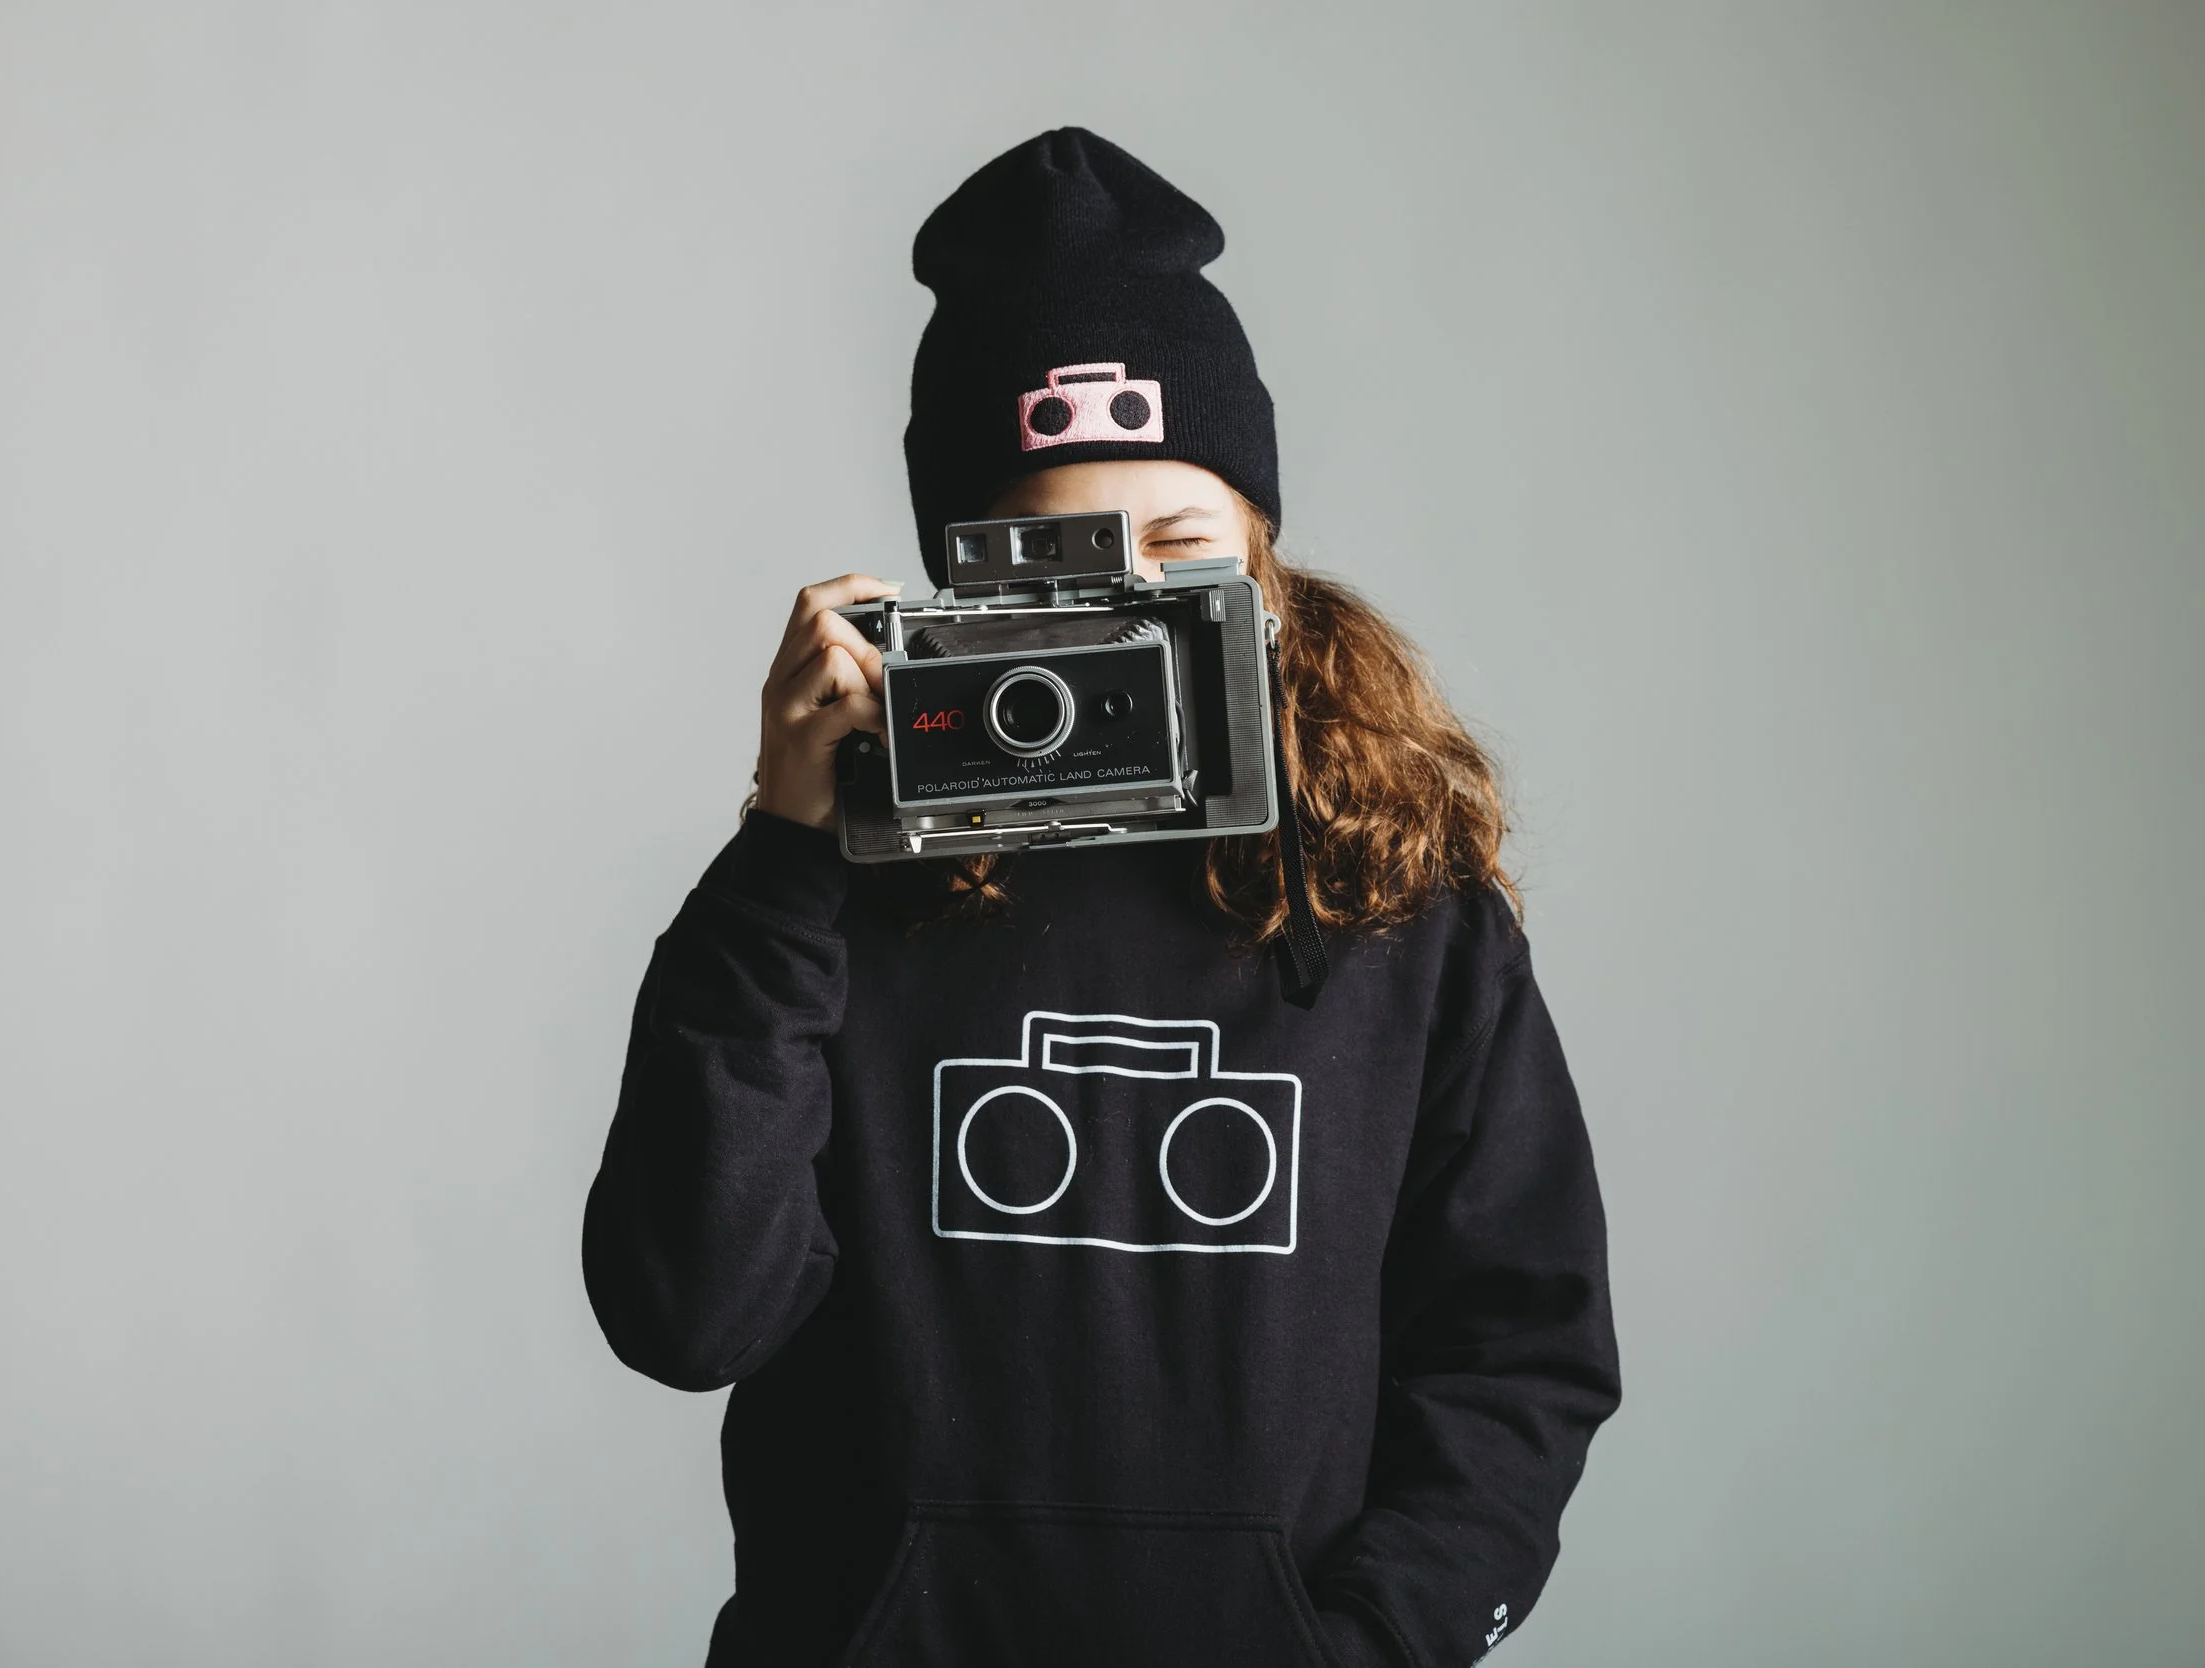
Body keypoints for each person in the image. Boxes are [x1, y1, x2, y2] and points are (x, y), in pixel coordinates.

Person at [582, 127, 1621, 1668]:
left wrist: (1368, 1647)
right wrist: (790, 848)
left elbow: (1519, 1353)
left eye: (1182, 554)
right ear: (951, 582)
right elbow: (686, 1317)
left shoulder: (1399, 904)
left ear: (1268, 560)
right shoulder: (828, 903)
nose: (1124, 621)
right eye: (1054, 568)